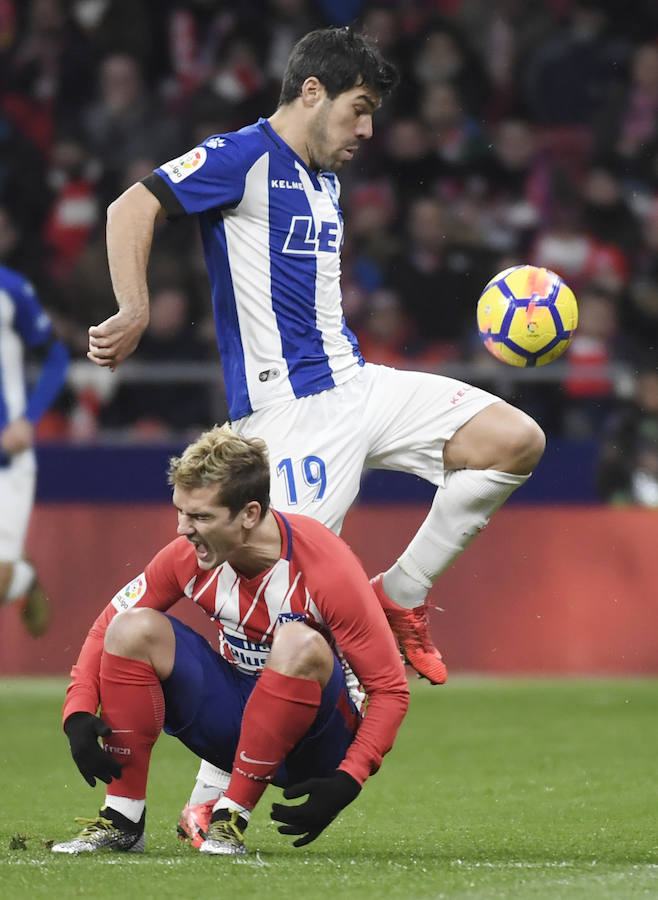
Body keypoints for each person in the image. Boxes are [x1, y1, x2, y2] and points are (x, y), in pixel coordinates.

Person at [85, 27, 545, 843]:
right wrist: (137, 306)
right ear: (310, 93)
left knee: (515, 438)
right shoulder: (242, 156)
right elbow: (132, 205)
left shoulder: (324, 180)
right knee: (268, 620)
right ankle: (206, 794)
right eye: (359, 110)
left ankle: (399, 597)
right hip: (286, 419)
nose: (367, 130)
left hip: (356, 385)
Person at [52, 424, 409, 855]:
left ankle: (228, 820)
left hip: (316, 745)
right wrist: (77, 714)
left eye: (201, 517)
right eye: (181, 512)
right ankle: (122, 820)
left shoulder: (328, 568)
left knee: (298, 641)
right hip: (236, 721)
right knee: (130, 627)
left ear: (250, 515)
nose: (184, 529)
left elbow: (390, 689)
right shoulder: (187, 556)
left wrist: (349, 778)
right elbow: (104, 626)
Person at [0, 262, 70, 636]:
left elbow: (56, 357)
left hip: (6, 459)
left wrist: (27, 419)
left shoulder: (10, 289)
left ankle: (21, 577)